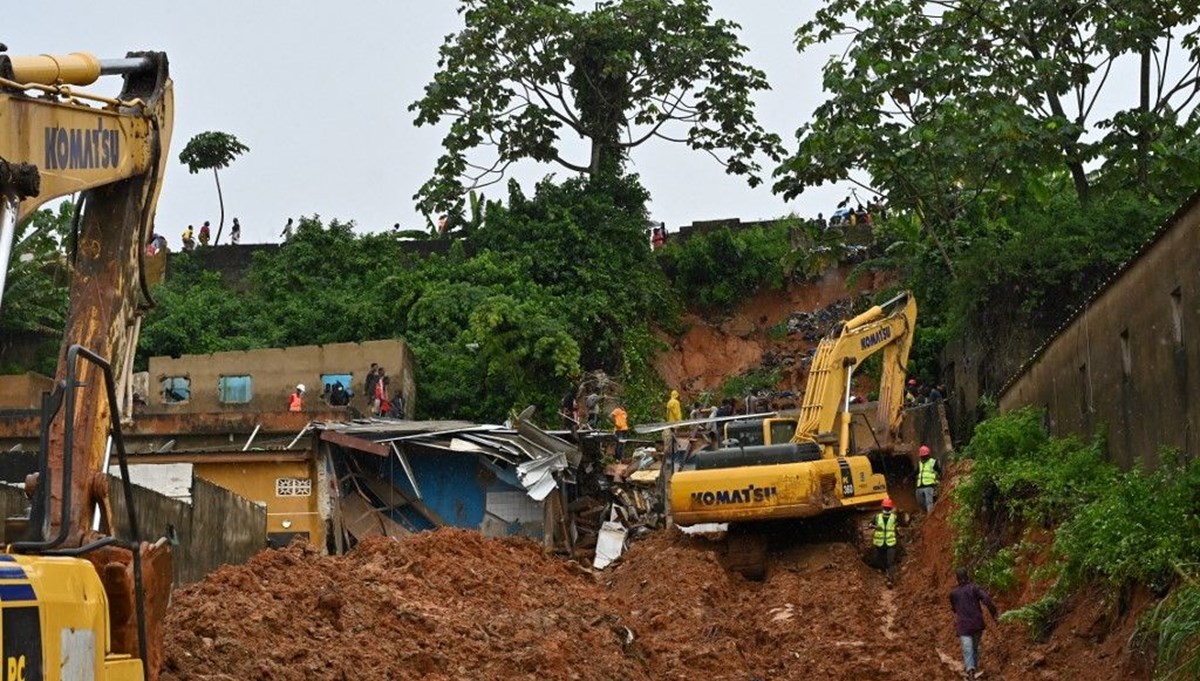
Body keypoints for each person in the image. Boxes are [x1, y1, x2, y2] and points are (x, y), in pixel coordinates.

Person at [950, 567, 999, 680]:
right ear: (967, 577)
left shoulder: (954, 594)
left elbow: (954, 609)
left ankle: (971, 671)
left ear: (957, 579)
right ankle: (972, 670)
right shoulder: (974, 588)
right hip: (977, 624)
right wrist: (993, 613)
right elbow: (986, 598)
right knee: (974, 648)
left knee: (967, 648)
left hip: (963, 626)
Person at [872, 496, 899, 586]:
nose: (887, 508)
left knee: (890, 562)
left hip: (890, 543)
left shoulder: (894, 517)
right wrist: (873, 526)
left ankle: (890, 579)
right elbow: (870, 524)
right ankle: (884, 572)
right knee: (878, 560)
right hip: (879, 543)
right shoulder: (877, 517)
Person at [916, 444, 940, 513]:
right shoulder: (920, 463)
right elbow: (916, 472)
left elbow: (938, 472)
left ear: (928, 455)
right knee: (920, 502)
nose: (923, 458)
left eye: (925, 456)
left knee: (929, 502)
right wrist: (908, 477)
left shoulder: (932, 462)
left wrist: (937, 480)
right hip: (920, 486)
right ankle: (926, 514)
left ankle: (930, 516)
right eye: (922, 456)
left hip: (929, 485)